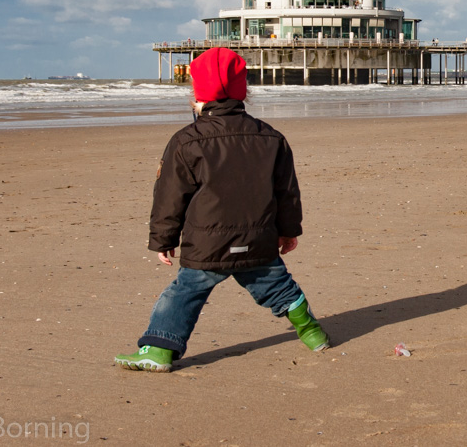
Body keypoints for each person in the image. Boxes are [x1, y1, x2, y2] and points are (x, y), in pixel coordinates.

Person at [115, 47, 329, 372]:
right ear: (243, 92)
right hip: (258, 240)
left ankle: (158, 351)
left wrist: (163, 239)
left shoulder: (187, 141)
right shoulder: (271, 138)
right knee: (279, 287)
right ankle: (313, 333)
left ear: (197, 94)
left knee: (183, 294)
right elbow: (287, 192)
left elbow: (170, 196)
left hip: (207, 244)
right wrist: (288, 231)